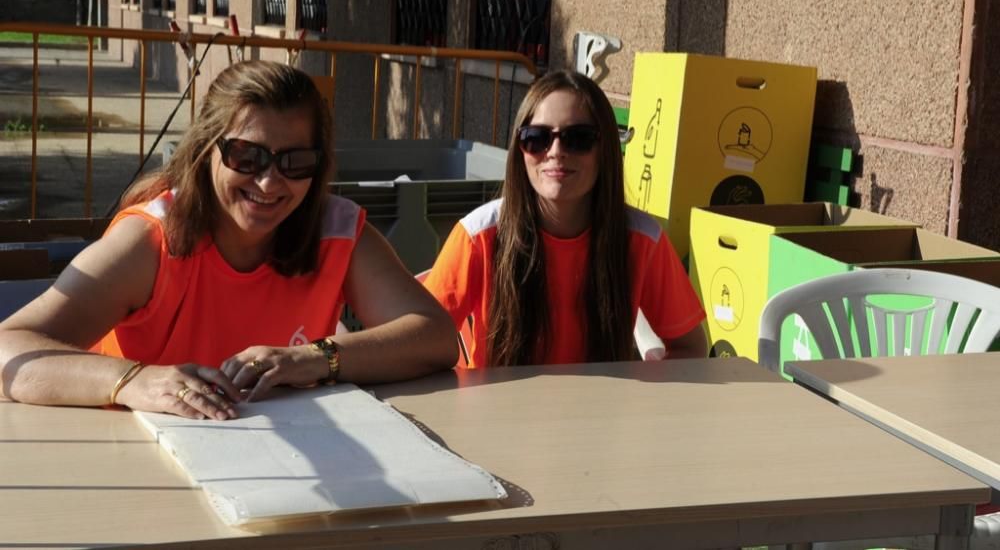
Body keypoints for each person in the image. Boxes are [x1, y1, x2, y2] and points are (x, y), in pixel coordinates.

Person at [0, 60, 457, 419]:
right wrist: (133, 381)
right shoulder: (151, 239)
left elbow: (436, 337)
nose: (268, 182)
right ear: (206, 150)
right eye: (246, 155)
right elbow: (9, 349)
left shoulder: (336, 230)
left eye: (295, 161)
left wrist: (316, 359)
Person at [423, 70, 708, 367]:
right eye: (537, 139)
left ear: (606, 149)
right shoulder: (478, 235)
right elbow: (419, 343)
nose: (556, 152)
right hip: (497, 411)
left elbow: (689, 348)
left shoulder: (643, 238)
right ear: (520, 150)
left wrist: (637, 398)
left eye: (578, 139)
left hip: (603, 411)